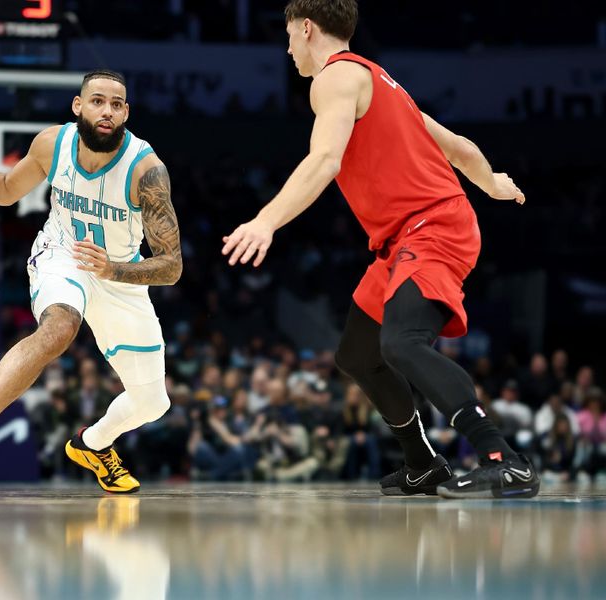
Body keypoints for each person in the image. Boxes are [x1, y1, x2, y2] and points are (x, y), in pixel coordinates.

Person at [221, 0, 539, 498]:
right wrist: (492, 182)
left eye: (287, 36)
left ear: (306, 28)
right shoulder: (383, 82)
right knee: (357, 355)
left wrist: (266, 220)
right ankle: (423, 464)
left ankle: (503, 458)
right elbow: (456, 146)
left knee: (402, 343)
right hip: (402, 239)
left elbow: (325, 159)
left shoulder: (334, 78)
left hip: (431, 227)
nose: (286, 48)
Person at [0, 70, 183, 493]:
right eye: (97, 101)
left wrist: (113, 270)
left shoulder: (147, 170)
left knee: (153, 403)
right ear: (78, 106)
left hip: (120, 273)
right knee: (59, 327)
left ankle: (93, 444)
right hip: (63, 255)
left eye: (116, 104)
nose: (107, 111)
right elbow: (8, 188)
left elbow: (171, 266)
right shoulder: (52, 143)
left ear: (126, 113)